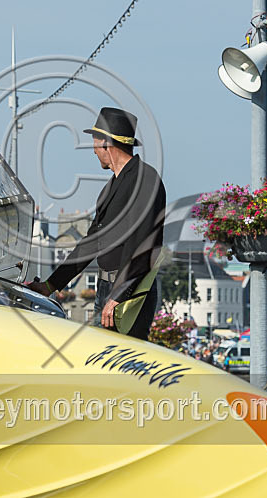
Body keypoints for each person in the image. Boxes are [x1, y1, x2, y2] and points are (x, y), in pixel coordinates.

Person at [27, 108, 166, 340]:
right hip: (108, 290)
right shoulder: (113, 186)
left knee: (122, 359)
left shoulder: (145, 180)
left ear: (105, 142)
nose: (93, 150)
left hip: (128, 295)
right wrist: (51, 285)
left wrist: (119, 295)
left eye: (94, 141)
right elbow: (91, 243)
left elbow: (143, 246)